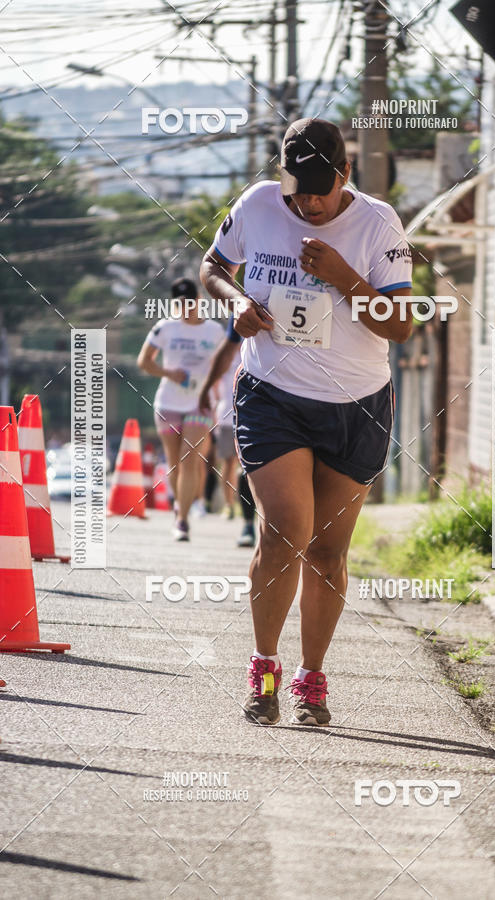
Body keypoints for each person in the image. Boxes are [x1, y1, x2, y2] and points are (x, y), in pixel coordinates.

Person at [200, 118, 412, 726]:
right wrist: (236, 303)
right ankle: (263, 665)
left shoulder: (377, 223)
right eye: (299, 191)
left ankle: (311, 675)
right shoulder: (260, 204)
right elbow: (212, 266)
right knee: (285, 532)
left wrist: (345, 278)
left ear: (344, 176)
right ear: (283, 179)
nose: (309, 203)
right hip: (273, 394)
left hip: (357, 404)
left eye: (321, 190)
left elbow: (399, 325)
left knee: (326, 551)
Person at [137, 278, 223, 541]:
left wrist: (217, 392)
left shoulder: (214, 331)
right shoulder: (165, 328)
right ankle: (179, 509)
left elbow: (224, 364)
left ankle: (183, 520)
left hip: (200, 403)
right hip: (169, 404)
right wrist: (168, 373)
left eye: (190, 302)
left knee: (189, 458)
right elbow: (144, 362)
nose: (186, 308)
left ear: (199, 300)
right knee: (174, 462)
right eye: (180, 303)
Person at [199, 316, 257, 547]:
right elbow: (214, 386)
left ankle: (250, 517)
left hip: (253, 414)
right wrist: (211, 404)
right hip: (226, 416)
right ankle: (229, 505)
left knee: (247, 467)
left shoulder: (253, 351)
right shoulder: (224, 356)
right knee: (229, 464)